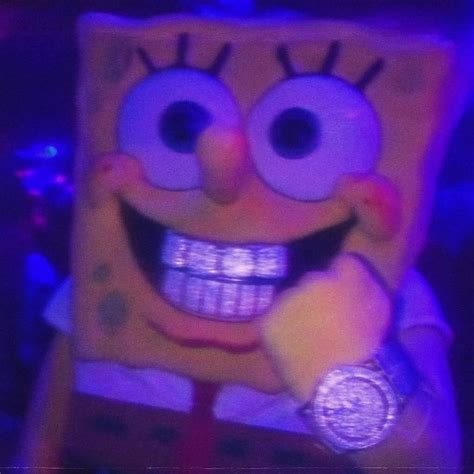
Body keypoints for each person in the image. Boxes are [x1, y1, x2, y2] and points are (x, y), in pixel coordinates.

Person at [18, 1, 472, 471]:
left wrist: (345, 376)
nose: (224, 175)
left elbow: (430, 465)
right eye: (184, 129)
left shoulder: (383, 292)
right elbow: (41, 445)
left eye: (296, 136)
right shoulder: (107, 280)